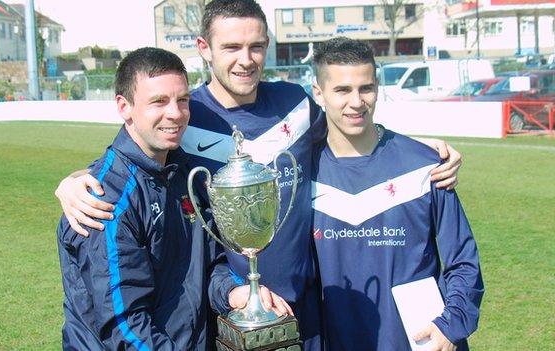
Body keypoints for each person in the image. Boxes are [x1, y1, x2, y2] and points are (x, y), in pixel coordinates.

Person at [54, 1, 462, 349]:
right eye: (231, 46)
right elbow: (135, 160)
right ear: (204, 49)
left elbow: (349, 131)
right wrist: (76, 181)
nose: (245, 59)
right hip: (225, 312)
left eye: (256, 46)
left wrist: (414, 148)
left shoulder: (296, 103)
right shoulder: (185, 115)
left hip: (306, 304)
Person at [56, 47, 290, 350]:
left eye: (183, 100)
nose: (176, 113)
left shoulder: (185, 174)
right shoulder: (103, 200)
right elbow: (123, 326)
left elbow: (208, 264)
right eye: (159, 102)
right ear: (124, 107)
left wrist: (233, 292)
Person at [310, 37, 484, 350]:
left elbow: (463, 259)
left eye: (365, 88)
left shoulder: (425, 166)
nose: (356, 101)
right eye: (342, 90)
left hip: (420, 342)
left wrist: (451, 323)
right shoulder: (303, 174)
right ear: (319, 93)